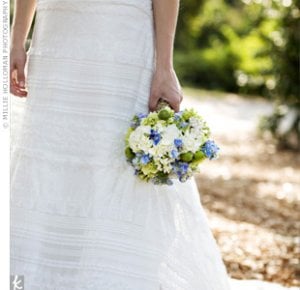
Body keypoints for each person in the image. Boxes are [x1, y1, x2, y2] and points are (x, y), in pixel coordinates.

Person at [10, 0, 232, 289]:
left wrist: (165, 66)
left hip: (123, 34)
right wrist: (16, 40)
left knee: (112, 153)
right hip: (58, 37)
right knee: (50, 148)